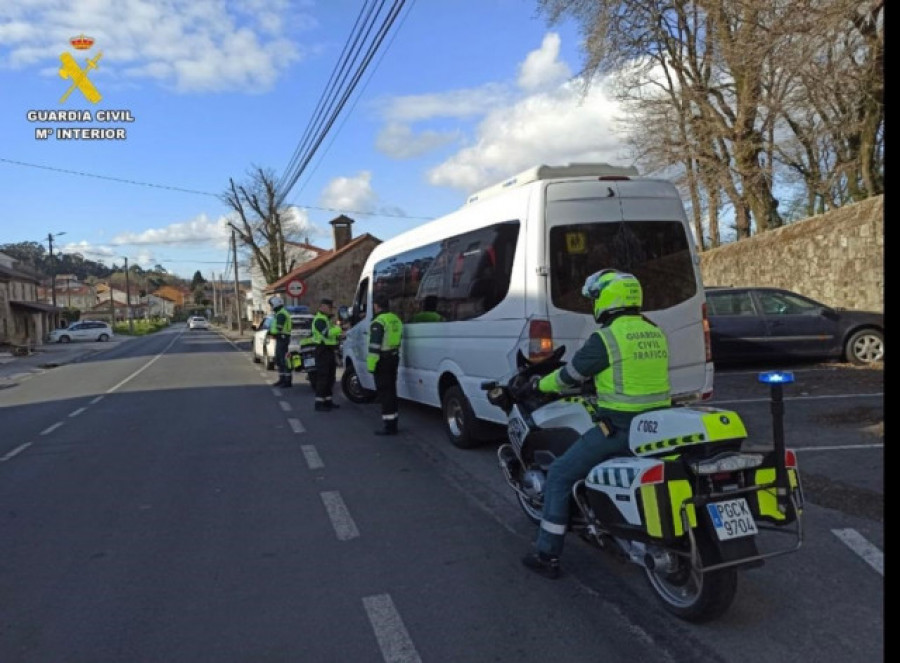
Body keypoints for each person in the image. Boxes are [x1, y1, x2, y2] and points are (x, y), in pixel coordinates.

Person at [521, 270, 671, 579]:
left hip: (620, 429)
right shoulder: (655, 331)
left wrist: (538, 386)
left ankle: (547, 553)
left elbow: (568, 377)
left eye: (595, 298)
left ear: (606, 298)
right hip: (660, 425)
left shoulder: (607, 338)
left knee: (561, 474)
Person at [367, 294, 403, 435]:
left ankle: (389, 426)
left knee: (384, 393)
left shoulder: (379, 322)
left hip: (382, 361)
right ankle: (393, 422)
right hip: (393, 357)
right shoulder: (395, 319)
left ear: (376, 306)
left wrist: (371, 366)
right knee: (391, 391)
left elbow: (374, 346)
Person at [311, 297, 343, 411]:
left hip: (329, 351)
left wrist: (341, 333)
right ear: (323, 307)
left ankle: (328, 401)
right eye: (330, 308)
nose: (331, 310)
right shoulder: (320, 320)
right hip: (322, 351)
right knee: (323, 378)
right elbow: (327, 333)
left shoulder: (326, 319)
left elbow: (333, 334)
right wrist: (339, 329)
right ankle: (319, 403)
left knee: (330, 377)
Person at [267, 295, 293, 388]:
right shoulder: (279, 313)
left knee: (283, 360)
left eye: (271, 305)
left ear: (275, 304)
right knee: (279, 359)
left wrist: (272, 333)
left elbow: (279, 327)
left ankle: (287, 381)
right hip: (280, 338)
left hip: (282, 338)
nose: (271, 307)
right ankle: (282, 379)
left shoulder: (281, 314)